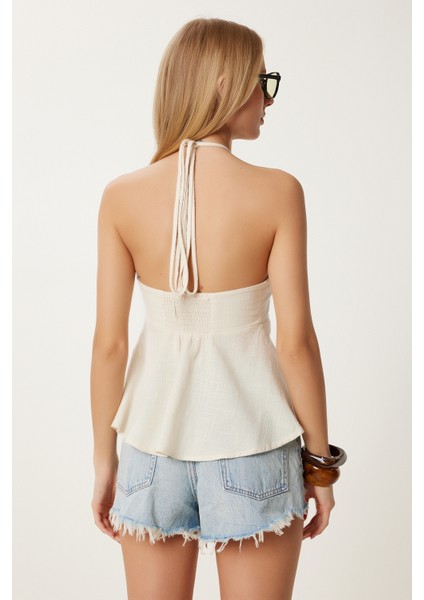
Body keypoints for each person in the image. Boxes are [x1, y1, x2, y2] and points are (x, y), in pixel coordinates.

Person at [90, 17, 346, 600]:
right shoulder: (279, 191)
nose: (268, 99)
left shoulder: (121, 197)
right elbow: (296, 344)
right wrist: (321, 468)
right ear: (225, 84)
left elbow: (109, 346)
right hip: (254, 443)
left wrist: (105, 462)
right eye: (263, 81)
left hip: (150, 449)